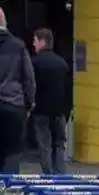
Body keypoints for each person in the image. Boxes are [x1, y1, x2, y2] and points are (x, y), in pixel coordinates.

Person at [0, 8, 35, 173]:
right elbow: (28, 79)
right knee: (12, 156)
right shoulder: (19, 46)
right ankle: (8, 194)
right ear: (4, 23)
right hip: (14, 108)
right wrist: (28, 104)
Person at [32, 28, 69, 174]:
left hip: (41, 111)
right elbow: (68, 89)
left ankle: (48, 176)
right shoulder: (62, 64)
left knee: (44, 146)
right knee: (59, 145)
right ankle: (61, 177)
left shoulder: (35, 63)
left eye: (34, 41)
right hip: (59, 112)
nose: (33, 44)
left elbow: (32, 86)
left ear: (42, 41)